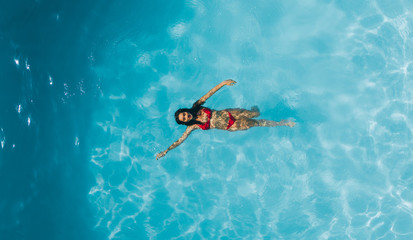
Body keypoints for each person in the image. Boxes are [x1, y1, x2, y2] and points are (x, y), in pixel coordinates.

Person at [156, 79, 295, 160]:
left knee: (255, 114)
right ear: (185, 122)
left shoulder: (196, 106)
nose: (187, 116)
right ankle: (283, 123)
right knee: (257, 123)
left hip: (229, 113)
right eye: (184, 119)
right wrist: (166, 151)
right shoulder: (193, 126)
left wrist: (223, 83)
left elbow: (209, 94)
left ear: (185, 111)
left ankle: (255, 110)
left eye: (185, 114)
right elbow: (180, 140)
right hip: (232, 125)